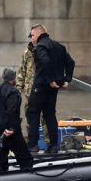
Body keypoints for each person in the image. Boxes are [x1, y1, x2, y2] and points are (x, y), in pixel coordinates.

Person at [26, 24, 75, 153]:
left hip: (41, 85)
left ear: (38, 34)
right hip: (53, 88)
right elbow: (70, 62)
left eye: (32, 35)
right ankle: (54, 145)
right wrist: (66, 79)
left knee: (33, 113)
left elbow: (45, 61)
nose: (31, 39)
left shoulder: (40, 46)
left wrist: (50, 79)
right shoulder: (59, 46)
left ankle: (32, 145)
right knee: (50, 115)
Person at [0, 68, 33, 172]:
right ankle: (27, 178)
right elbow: (12, 111)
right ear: (13, 79)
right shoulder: (13, 92)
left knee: (1, 160)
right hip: (9, 130)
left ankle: (0, 178)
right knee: (25, 159)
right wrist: (12, 128)